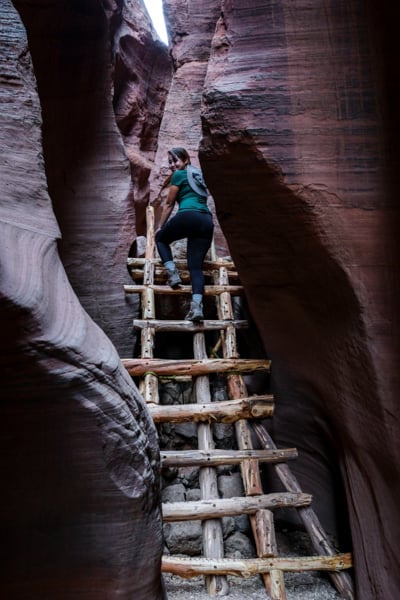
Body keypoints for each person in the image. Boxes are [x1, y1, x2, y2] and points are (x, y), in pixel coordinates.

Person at [155, 147, 213, 322]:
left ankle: (173, 275)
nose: (173, 165)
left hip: (188, 215)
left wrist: (160, 226)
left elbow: (169, 203)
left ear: (186, 160)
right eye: (170, 162)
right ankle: (196, 307)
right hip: (206, 221)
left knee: (161, 238)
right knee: (195, 267)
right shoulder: (198, 175)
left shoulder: (179, 175)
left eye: (175, 161)